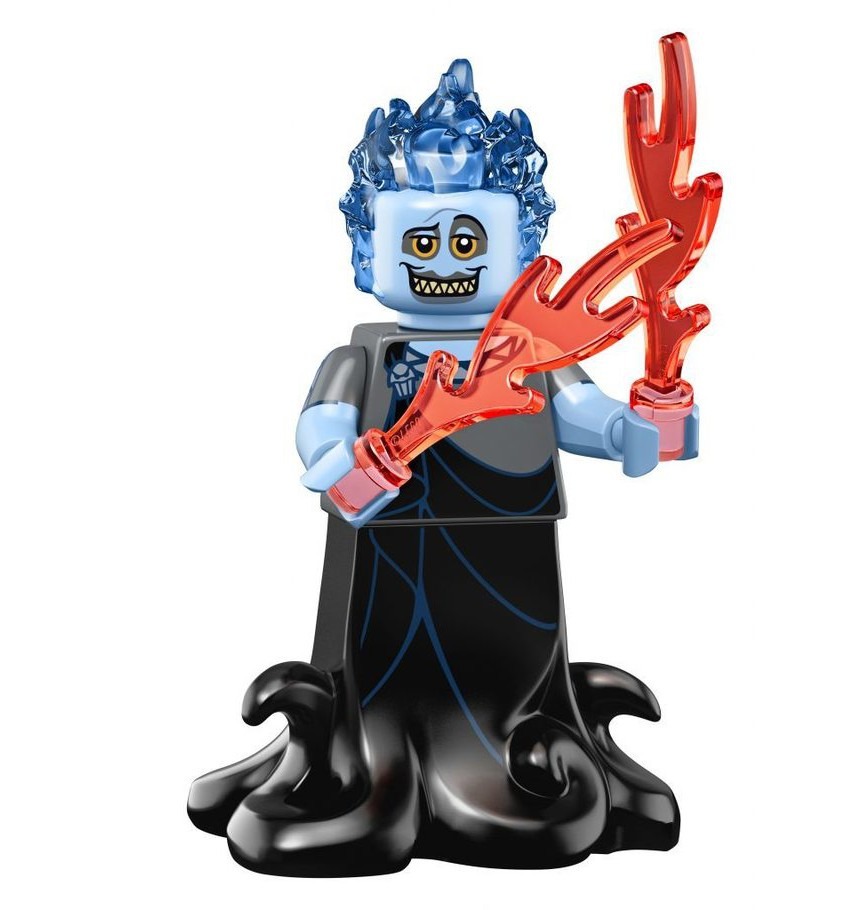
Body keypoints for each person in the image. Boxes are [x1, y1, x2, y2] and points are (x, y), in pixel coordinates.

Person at [189, 58, 695, 877]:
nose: (446, 259)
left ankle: (516, 748)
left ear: (521, 248)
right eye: (421, 241)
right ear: (371, 249)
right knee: (384, 670)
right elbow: (323, 426)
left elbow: (596, 421)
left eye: (468, 240)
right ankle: (372, 771)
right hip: (395, 553)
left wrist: (655, 408)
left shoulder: (535, 360)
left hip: (512, 550)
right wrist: (341, 463)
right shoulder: (367, 358)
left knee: (515, 665)